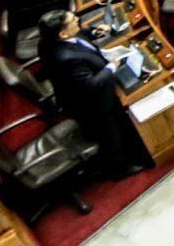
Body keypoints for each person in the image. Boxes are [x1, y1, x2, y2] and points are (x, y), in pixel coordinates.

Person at [38, 10, 149, 178]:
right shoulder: (66, 58)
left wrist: (94, 31)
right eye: (74, 20)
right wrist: (112, 66)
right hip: (90, 103)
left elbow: (78, 37)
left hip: (79, 87)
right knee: (111, 133)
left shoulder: (52, 40)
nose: (78, 20)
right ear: (62, 33)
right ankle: (119, 169)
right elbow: (91, 85)